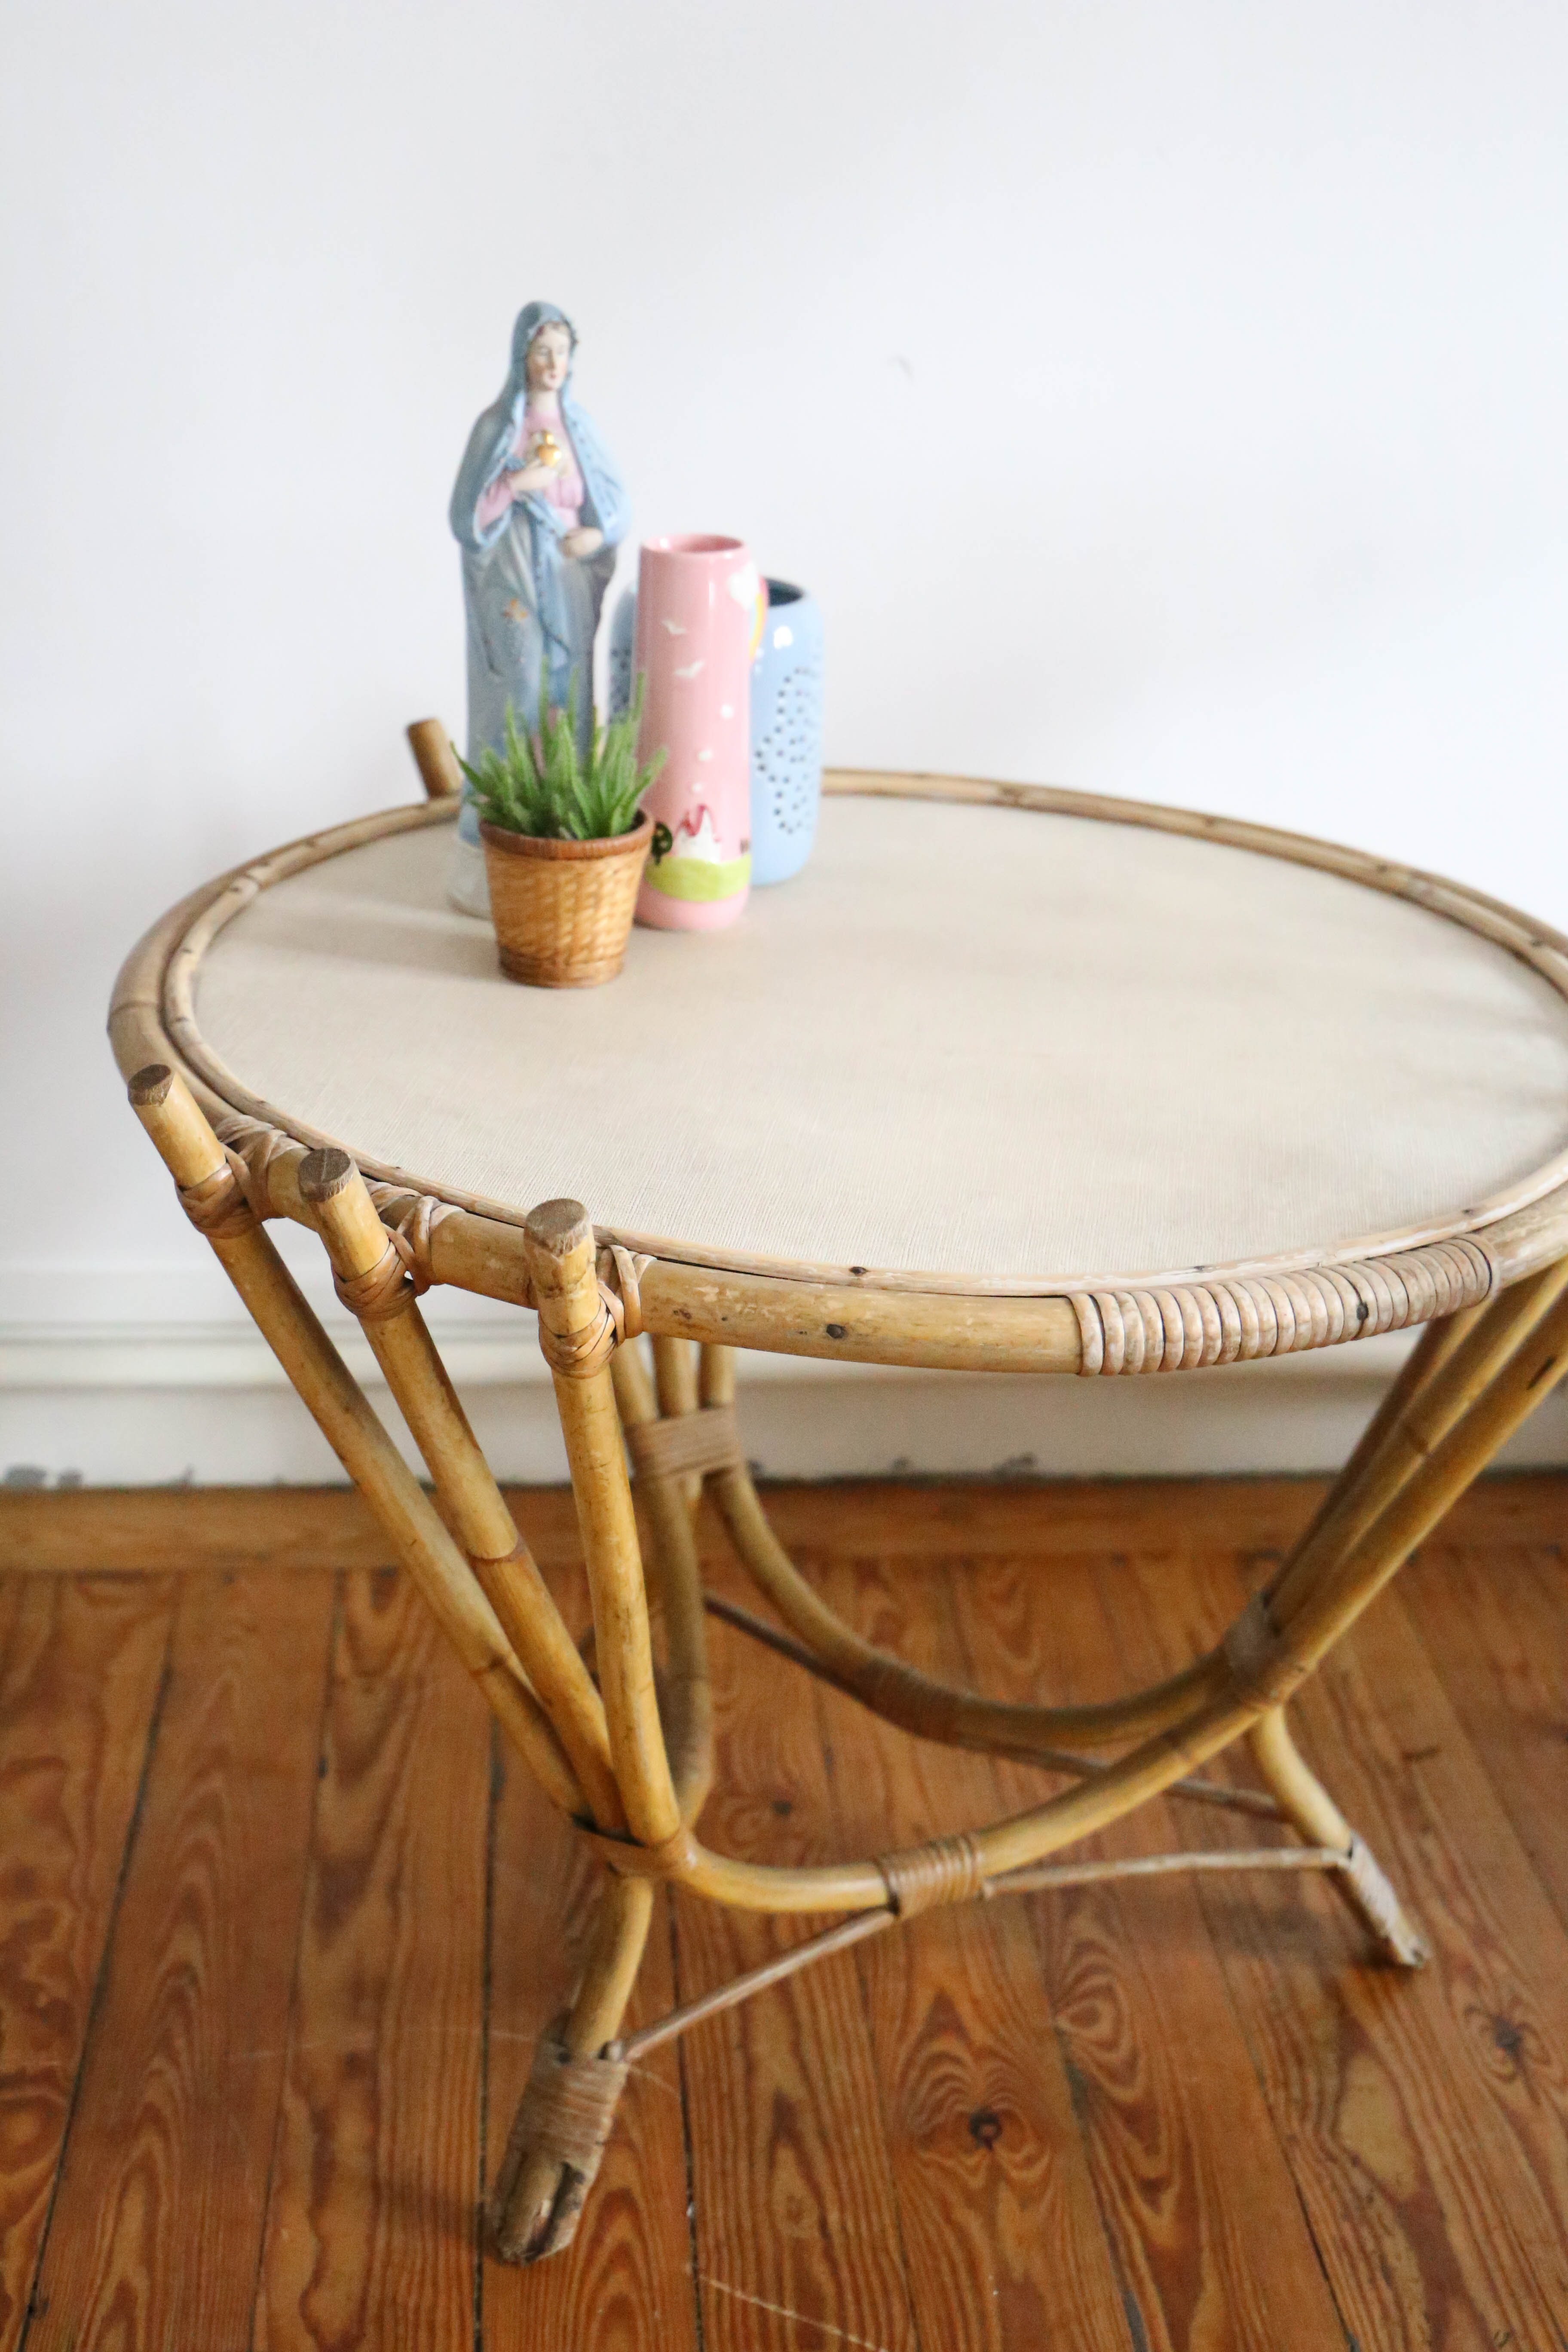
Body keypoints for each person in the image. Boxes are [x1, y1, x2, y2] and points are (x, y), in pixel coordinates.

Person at [447, 301, 628, 911]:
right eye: (542, 352)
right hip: (516, 580)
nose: (553, 364)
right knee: (520, 692)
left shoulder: (582, 429)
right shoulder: (497, 427)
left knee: (569, 691)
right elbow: (468, 520)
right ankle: (504, 835)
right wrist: (519, 483)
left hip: (567, 574)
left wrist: (596, 537)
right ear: (522, 357)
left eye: (562, 353)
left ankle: (563, 833)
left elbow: (613, 503)